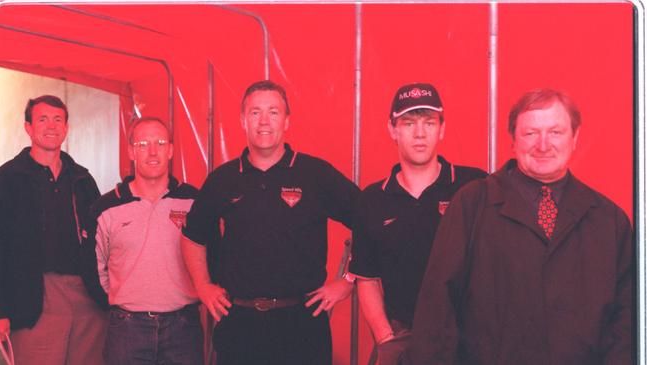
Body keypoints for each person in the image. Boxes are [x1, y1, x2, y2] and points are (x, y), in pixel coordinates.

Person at [409, 88, 634, 364]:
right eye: (530, 133)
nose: (543, 145)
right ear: (513, 140)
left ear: (575, 138)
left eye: (555, 132)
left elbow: (625, 325)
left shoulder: (609, 221)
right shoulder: (472, 205)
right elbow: (437, 309)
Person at [180, 80, 360, 365]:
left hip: (302, 324)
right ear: (242, 120)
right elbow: (193, 236)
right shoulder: (223, 179)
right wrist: (203, 286)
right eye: (255, 113)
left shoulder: (315, 174)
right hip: (240, 324)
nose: (264, 121)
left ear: (287, 121)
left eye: (274, 112)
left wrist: (348, 281)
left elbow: (368, 221)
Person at [348, 83, 486, 365]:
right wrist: (386, 339)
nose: (420, 133)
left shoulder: (473, 186)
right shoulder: (373, 199)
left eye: (429, 122)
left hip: (467, 340)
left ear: (442, 129)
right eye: (409, 123)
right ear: (392, 129)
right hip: (404, 341)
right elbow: (367, 277)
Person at [82, 117, 203, 364]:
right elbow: (93, 268)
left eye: (159, 143)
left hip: (183, 327)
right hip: (127, 329)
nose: (152, 151)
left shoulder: (194, 202)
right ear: (131, 151)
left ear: (170, 150)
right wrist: (123, 301)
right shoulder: (106, 207)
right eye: (142, 144)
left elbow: (212, 255)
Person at [0, 95, 106, 364]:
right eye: (42, 119)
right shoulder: (8, 178)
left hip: (87, 296)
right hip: (34, 296)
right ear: (28, 127)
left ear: (66, 128)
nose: (51, 126)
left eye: (58, 119)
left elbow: (102, 236)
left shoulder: (82, 179)